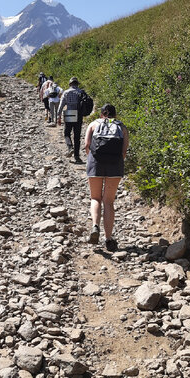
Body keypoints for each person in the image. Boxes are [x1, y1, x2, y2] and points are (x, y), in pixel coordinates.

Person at [83, 103, 129, 252]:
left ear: (101, 114)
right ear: (115, 115)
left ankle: (95, 227)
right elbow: (123, 152)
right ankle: (108, 239)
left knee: (95, 198)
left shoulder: (93, 124)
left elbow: (87, 145)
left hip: (95, 163)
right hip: (115, 166)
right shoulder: (122, 127)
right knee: (108, 202)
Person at [57, 78, 87, 163]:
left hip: (69, 113)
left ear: (70, 84)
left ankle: (70, 147)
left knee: (67, 133)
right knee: (77, 136)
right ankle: (77, 157)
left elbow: (61, 105)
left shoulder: (66, 92)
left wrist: (58, 116)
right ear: (77, 84)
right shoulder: (81, 92)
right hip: (79, 115)